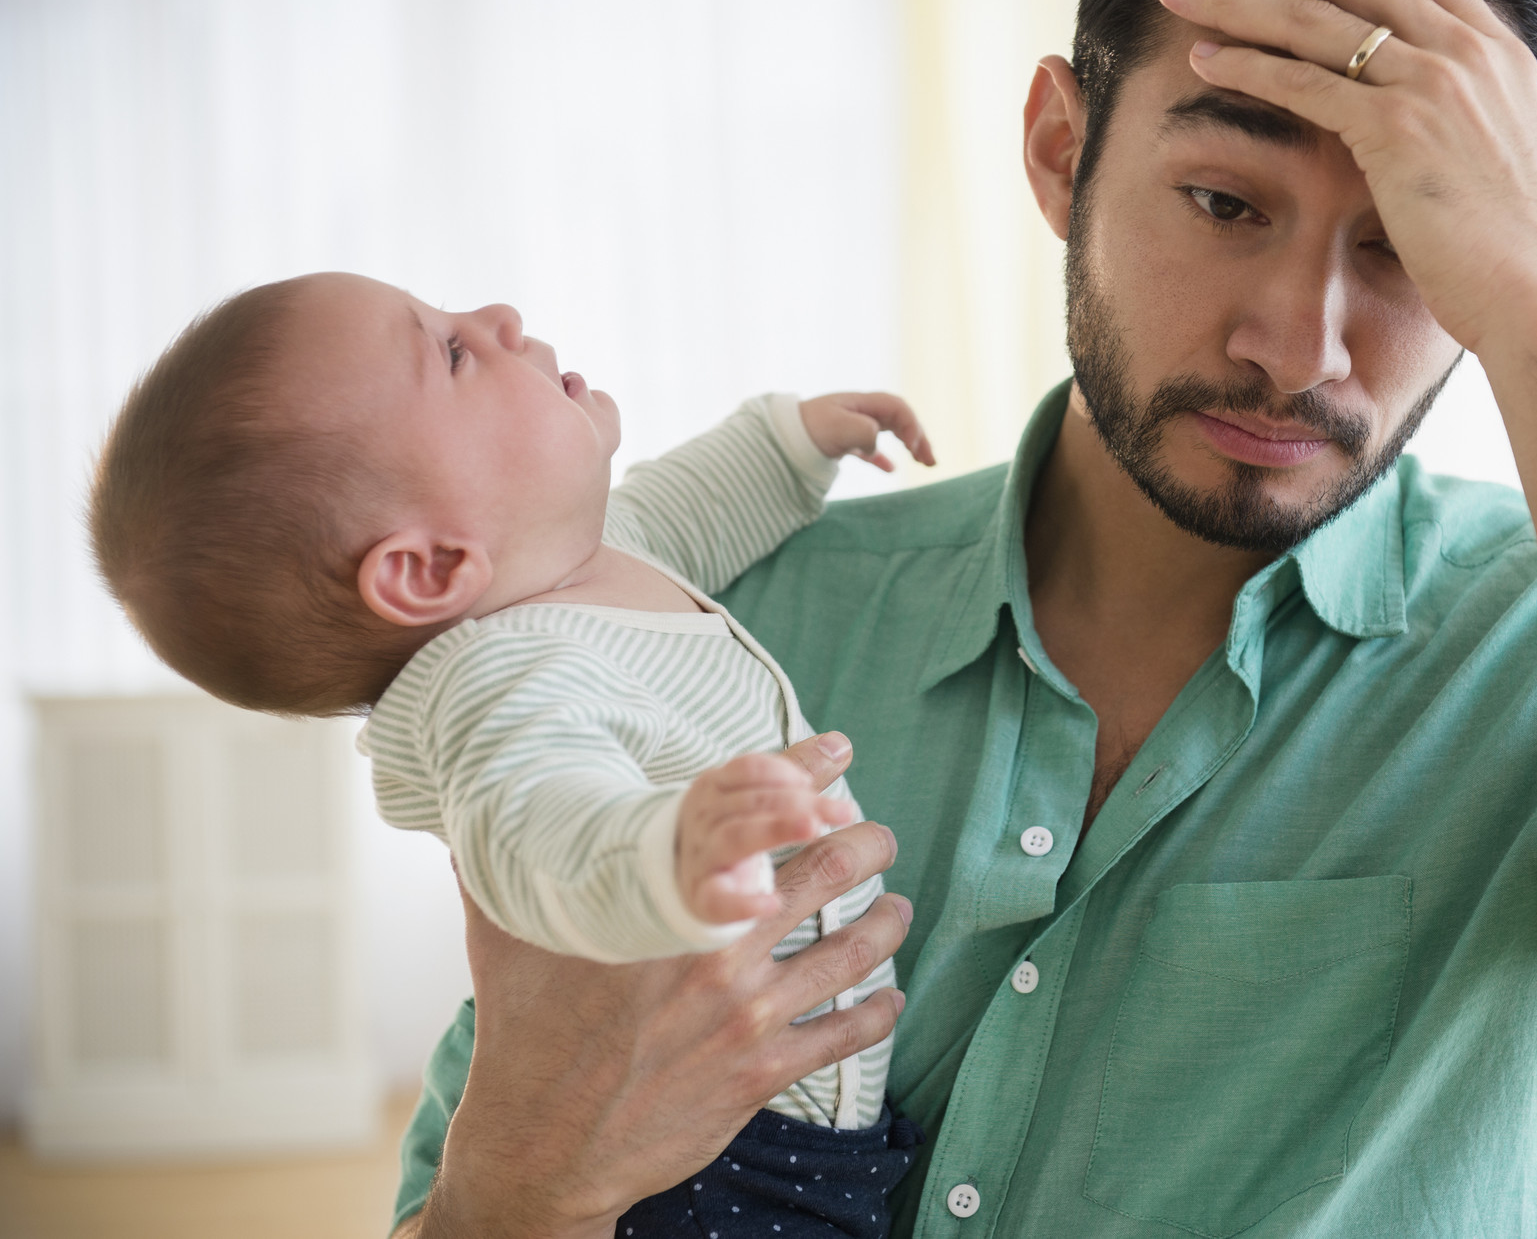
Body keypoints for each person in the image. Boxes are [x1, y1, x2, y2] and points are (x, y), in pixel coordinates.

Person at [395, 0, 1537, 1235]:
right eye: (1227, 200)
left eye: (1410, 241)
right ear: (1056, 150)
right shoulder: (713, 629)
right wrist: (524, 1173)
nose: (1296, 346)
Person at [87, 272, 938, 1237]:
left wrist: (786, 443)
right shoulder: (500, 684)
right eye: (451, 351)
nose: (498, 318)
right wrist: (668, 854)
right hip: (706, 1162)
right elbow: (542, 833)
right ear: (430, 567)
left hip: (776, 1117)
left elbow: (680, 510)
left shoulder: (582, 567)